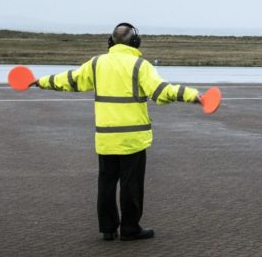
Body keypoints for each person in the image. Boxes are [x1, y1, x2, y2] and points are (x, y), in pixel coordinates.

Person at [30, 23, 204, 241]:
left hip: (106, 137)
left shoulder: (97, 63)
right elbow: (161, 91)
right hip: (132, 139)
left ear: (111, 42)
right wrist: (192, 95)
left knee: (106, 184)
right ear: (135, 42)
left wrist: (41, 81)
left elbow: (70, 79)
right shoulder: (140, 65)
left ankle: (108, 229)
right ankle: (130, 229)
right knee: (131, 185)